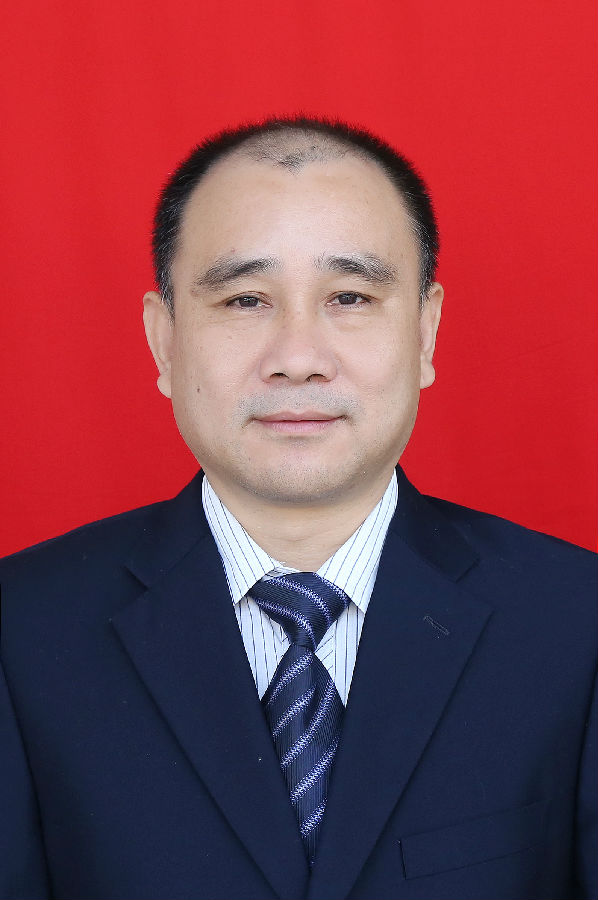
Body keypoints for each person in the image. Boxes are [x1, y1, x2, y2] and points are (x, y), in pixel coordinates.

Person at [1, 118, 595, 900]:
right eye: (245, 299)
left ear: (425, 331)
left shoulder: (577, 624)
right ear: (163, 340)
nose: (298, 359)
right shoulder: (22, 633)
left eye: (350, 297)